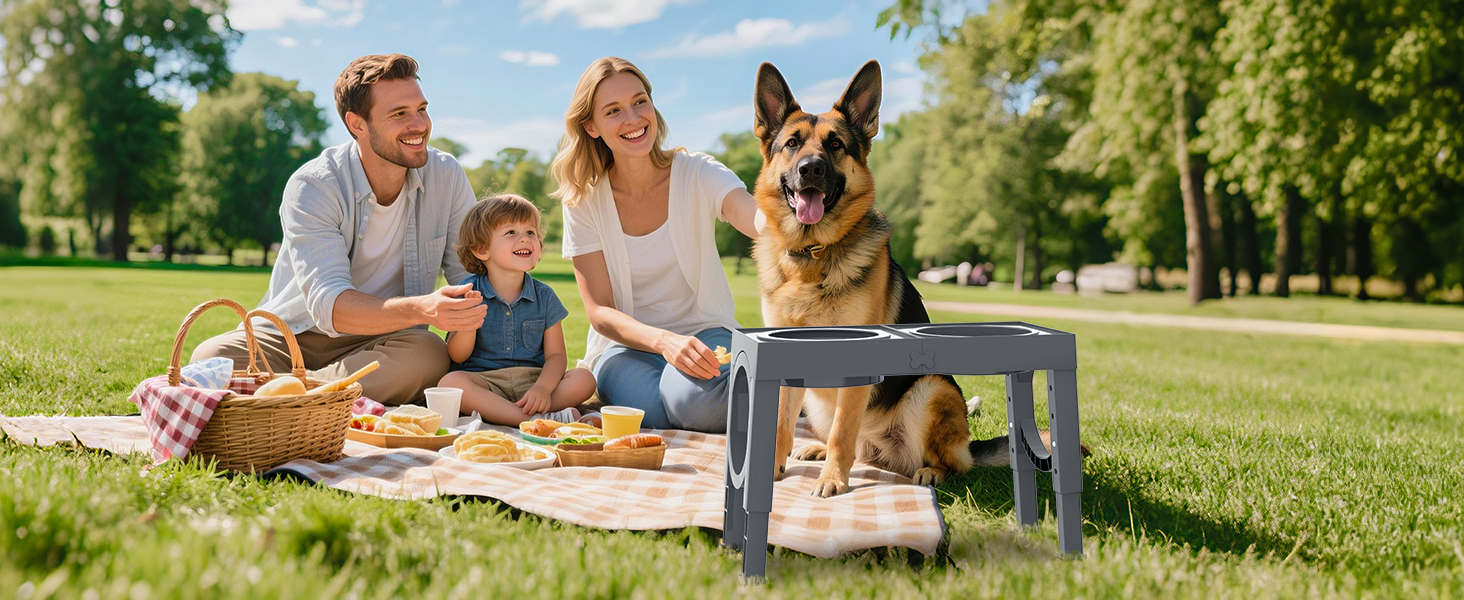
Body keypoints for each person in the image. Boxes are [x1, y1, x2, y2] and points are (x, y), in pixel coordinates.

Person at [191, 54, 484, 405]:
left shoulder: (445, 175)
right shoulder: (314, 186)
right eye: (399, 114)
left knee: (429, 354)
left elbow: (474, 275)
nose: (419, 124)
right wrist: (423, 308)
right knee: (211, 358)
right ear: (357, 124)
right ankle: (327, 397)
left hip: (383, 341)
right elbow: (331, 306)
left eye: (421, 109)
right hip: (292, 336)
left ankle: (288, 397)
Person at [554, 57, 766, 433]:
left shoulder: (698, 172)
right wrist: (665, 342)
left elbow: (754, 218)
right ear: (591, 126)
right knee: (654, 409)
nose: (633, 118)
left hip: (707, 332)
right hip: (624, 350)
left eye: (640, 102)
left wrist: (799, 218)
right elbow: (600, 311)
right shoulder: (584, 200)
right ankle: (752, 398)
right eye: (614, 111)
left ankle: (758, 395)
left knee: (691, 403)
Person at [437, 194, 597, 425]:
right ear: (482, 249)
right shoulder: (467, 292)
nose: (524, 239)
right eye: (511, 232)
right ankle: (533, 420)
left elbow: (556, 356)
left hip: (534, 382)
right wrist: (470, 320)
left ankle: (520, 414)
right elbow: (457, 355)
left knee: (584, 378)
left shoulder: (545, 296)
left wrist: (542, 388)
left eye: (530, 232)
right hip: (485, 382)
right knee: (451, 383)